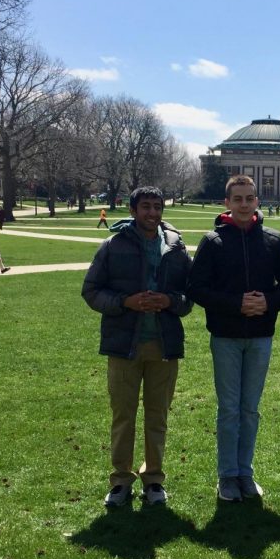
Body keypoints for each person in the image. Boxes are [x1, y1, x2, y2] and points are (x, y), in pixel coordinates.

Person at [81, 186, 193, 507]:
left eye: (157, 207)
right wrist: (124, 302)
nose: (152, 213)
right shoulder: (113, 246)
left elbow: (189, 297)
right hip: (123, 345)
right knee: (124, 415)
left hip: (163, 345)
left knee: (157, 415)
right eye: (145, 207)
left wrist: (169, 300)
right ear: (132, 210)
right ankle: (120, 481)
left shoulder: (175, 248)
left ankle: (154, 479)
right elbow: (91, 291)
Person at [187, 175, 280, 502]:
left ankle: (245, 472)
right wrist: (236, 304)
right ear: (227, 204)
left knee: (250, 409)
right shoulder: (213, 242)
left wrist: (268, 302)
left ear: (257, 201)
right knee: (229, 409)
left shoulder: (273, 241)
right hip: (226, 336)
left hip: (261, 336)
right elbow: (196, 288)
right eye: (238, 199)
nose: (244, 204)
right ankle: (226, 476)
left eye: (250, 198)